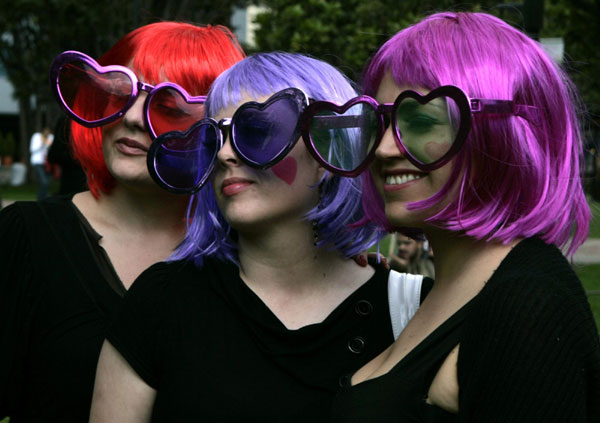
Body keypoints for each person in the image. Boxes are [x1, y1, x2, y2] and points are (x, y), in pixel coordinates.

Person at [89, 52, 431, 422]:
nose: (223, 154)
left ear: (328, 149)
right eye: (214, 136)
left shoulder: (416, 312)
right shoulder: (162, 301)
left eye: (255, 131)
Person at [297, 12, 600, 422]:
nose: (385, 149)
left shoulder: (529, 303)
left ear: (505, 135)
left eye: (421, 121)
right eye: (381, 122)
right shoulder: (448, 291)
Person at [0, 22, 244, 423]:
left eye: (168, 108)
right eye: (118, 92)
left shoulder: (241, 252)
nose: (131, 117)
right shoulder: (28, 236)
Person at [47, 114, 88, 195]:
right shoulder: (68, 121)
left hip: (73, 181)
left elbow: (53, 154)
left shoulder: (68, 120)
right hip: (73, 180)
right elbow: (54, 154)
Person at [29, 126, 54, 200]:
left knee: (47, 183)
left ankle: (44, 200)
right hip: (38, 162)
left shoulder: (51, 137)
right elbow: (32, 149)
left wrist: (49, 145)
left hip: (47, 163)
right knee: (44, 182)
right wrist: (42, 143)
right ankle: (40, 199)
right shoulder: (36, 136)